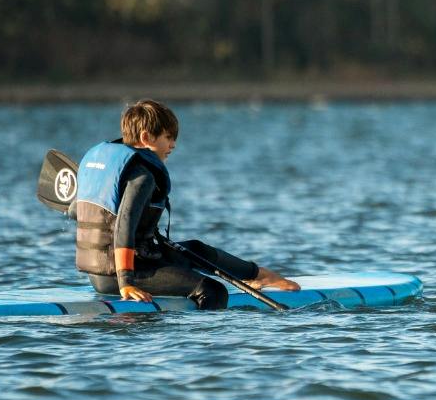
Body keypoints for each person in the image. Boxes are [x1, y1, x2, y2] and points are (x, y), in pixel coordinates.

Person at [73, 99, 298, 309]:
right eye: (168, 137)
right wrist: (126, 283)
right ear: (146, 138)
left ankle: (257, 275)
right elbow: (124, 227)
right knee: (213, 290)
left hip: (110, 270)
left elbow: (76, 212)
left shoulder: (110, 171)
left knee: (197, 250)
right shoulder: (142, 177)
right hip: (120, 275)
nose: (173, 145)